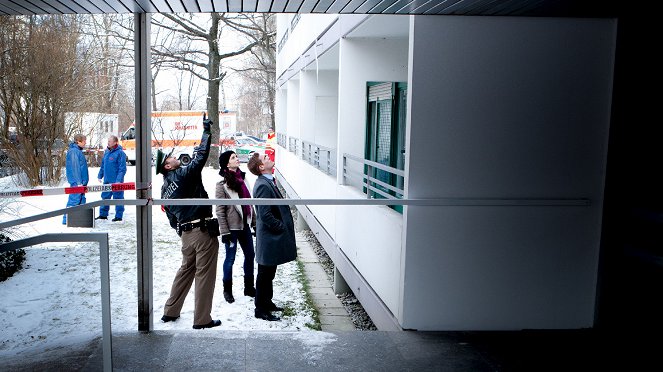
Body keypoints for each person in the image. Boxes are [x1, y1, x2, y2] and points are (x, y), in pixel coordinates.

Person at [157, 113, 222, 330]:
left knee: (186, 270)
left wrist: (184, 232)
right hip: (202, 232)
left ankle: (171, 311)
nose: (174, 157)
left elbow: (170, 217)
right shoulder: (183, 175)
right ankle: (202, 319)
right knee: (205, 273)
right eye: (169, 158)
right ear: (167, 166)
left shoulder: (164, 189)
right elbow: (200, 157)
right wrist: (205, 133)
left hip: (186, 235)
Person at [247, 152, 297, 321]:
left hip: (271, 239)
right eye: (265, 158)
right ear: (261, 167)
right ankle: (260, 309)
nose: (268, 157)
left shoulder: (267, 181)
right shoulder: (262, 185)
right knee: (264, 274)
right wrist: (281, 227)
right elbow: (265, 214)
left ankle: (267, 303)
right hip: (269, 239)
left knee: (269, 273)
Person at [215, 150, 256, 304]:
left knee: (250, 255)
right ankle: (227, 290)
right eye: (233, 158)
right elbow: (220, 210)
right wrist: (224, 231)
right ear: (227, 163)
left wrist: (254, 223)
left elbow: (251, 204)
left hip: (245, 225)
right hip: (231, 229)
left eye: (236, 156)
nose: (237, 159)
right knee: (230, 259)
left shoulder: (244, 179)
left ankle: (249, 287)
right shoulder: (222, 185)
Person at [96, 135, 127, 221]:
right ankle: (103, 214)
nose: (108, 143)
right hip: (107, 180)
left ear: (115, 142)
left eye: (110, 141)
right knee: (105, 197)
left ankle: (118, 216)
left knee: (118, 198)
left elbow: (122, 169)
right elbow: (103, 166)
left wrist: (118, 181)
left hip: (116, 181)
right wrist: (100, 175)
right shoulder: (106, 152)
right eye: (108, 141)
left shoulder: (120, 153)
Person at [62, 134, 89, 225]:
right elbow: (75, 167)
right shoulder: (74, 151)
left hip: (81, 182)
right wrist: (78, 182)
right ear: (78, 141)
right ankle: (66, 220)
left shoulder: (77, 151)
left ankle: (78, 220)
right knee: (74, 200)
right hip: (77, 183)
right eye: (84, 141)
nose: (85, 142)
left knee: (81, 201)